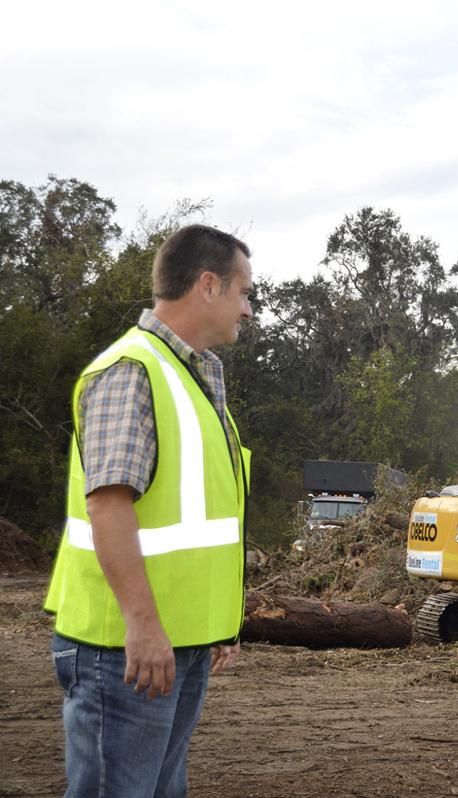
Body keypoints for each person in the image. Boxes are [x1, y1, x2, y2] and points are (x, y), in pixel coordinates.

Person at [44, 224, 254, 797]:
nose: (249, 309)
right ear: (208, 286)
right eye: (243, 292)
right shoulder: (131, 370)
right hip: (127, 647)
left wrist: (217, 623)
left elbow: (200, 520)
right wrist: (142, 624)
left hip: (179, 639)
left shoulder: (195, 375)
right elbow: (109, 506)